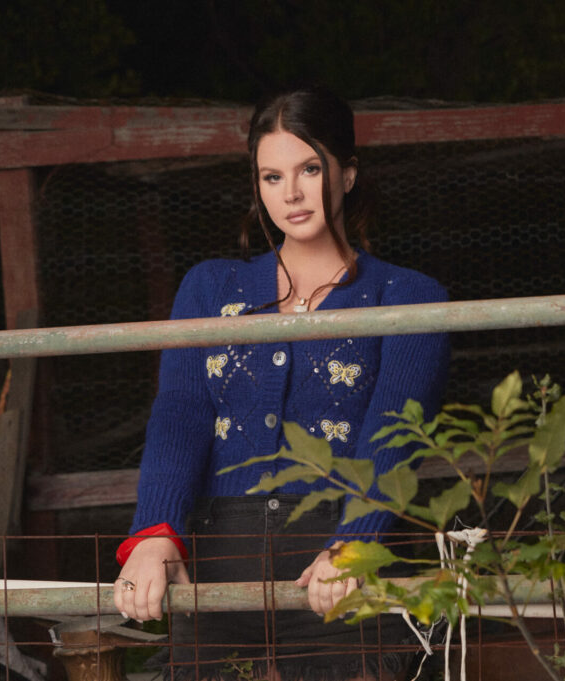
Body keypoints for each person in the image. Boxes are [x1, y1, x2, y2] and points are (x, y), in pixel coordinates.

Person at [112, 86, 450, 680]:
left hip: (334, 565)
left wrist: (354, 547)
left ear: (347, 174)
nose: (290, 193)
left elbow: (395, 436)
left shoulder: (408, 294)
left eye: (309, 169)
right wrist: (155, 532)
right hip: (218, 561)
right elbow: (181, 413)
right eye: (271, 177)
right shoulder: (210, 289)